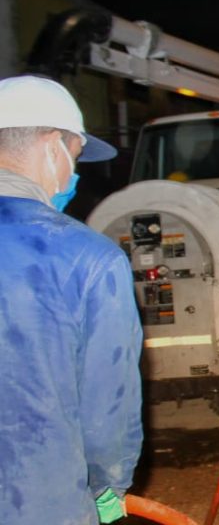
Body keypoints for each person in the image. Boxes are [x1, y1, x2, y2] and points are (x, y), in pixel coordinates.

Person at [0, 75, 143, 524]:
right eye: (75, 156)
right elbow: (108, 407)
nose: (73, 174)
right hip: (40, 497)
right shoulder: (87, 257)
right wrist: (107, 486)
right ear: (51, 146)